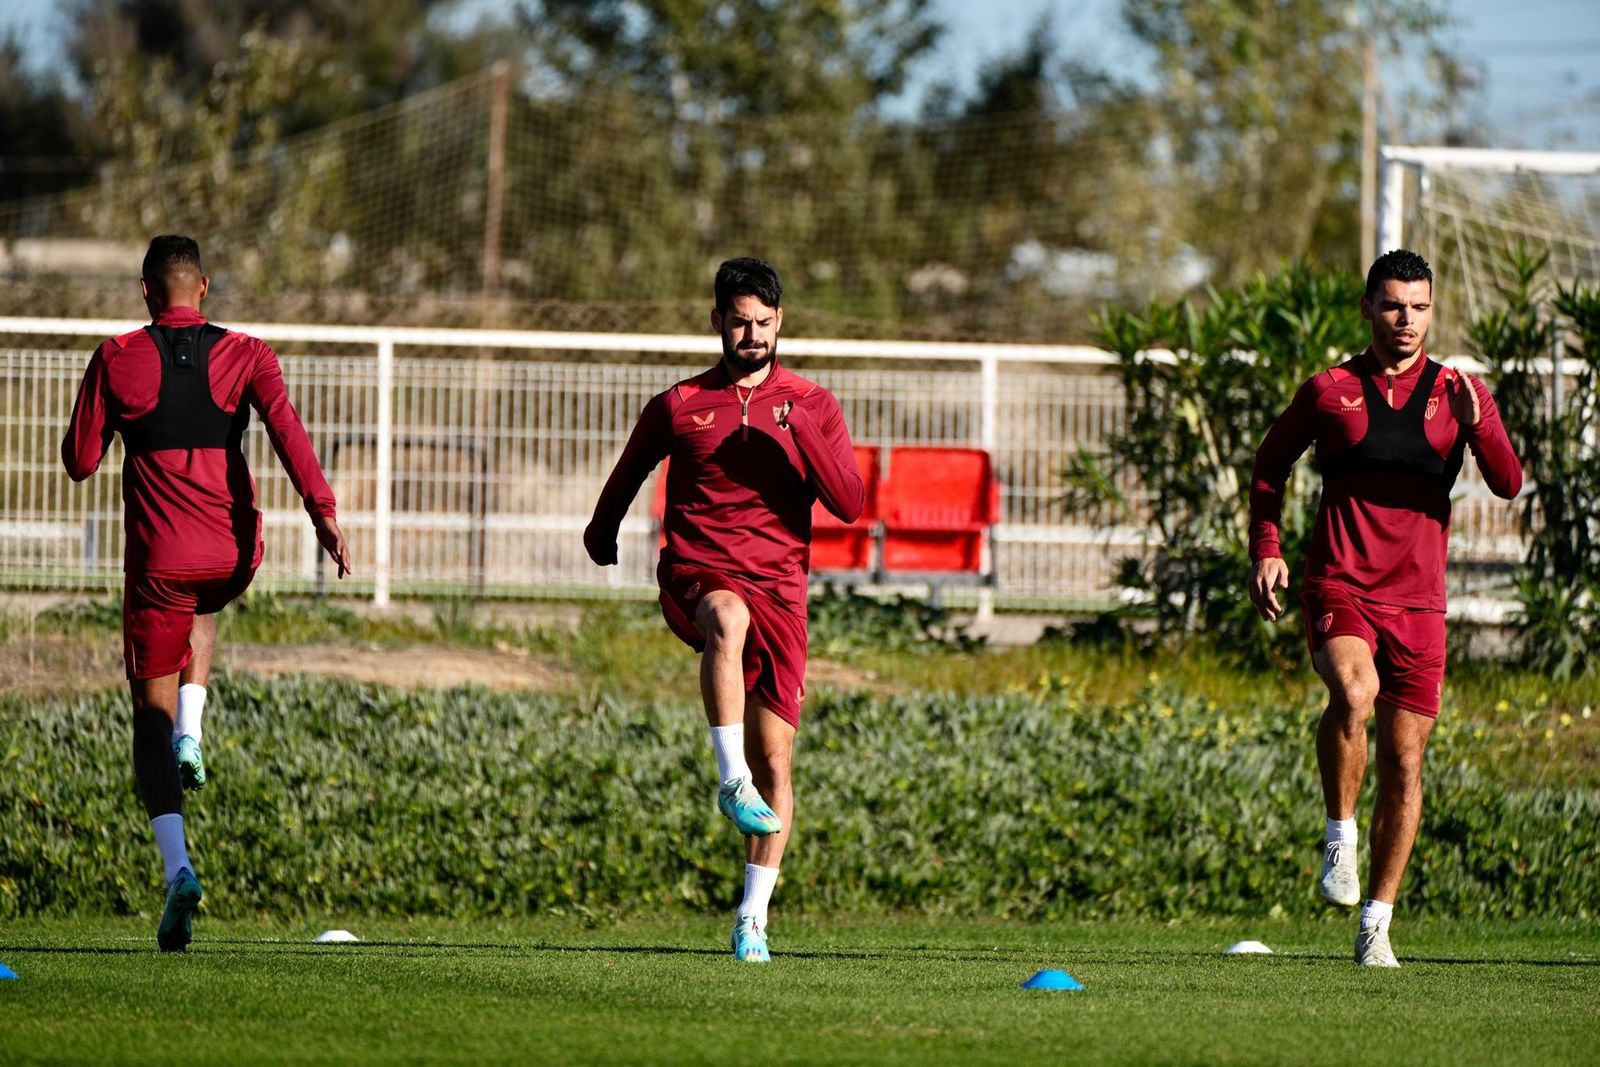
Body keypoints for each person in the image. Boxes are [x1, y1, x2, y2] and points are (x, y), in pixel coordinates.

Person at [62, 234, 351, 952]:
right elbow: (288, 432)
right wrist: (323, 513)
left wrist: (116, 413)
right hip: (230, 553)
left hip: (158, 562)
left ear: (145, 292)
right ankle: (196, 726)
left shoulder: (117, 356)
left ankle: (178, 867)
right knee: (207, 595)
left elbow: (78, 461)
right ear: (206, 287)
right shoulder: (249, 353)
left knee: (144, 724)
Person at [1247, 249, 1522, 967]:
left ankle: (1377, 920)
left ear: (1433, 311)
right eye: (1394, 305)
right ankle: (1339, 839)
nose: (1407, 319)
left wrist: (1480, 424)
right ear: (1368, 307)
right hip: (1341, 583)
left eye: (1420, 307)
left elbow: (1509, 482)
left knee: (1405, 761)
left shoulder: (1459, 392)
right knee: (1354, 689)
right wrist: (1266, 547)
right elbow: (1269, 466)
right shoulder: (1329, 389)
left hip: (1421, 604)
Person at [585, 257, 864, 963]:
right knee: (727, 619)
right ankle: (726, 776)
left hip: (783, 591)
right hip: (698, 575)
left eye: (764, 323)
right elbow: (624, 479)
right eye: (739, 321)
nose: (752, 335)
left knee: (779, 764)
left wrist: (800, 431)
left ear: (781, 322)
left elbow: (850, 504)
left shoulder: (813, 402)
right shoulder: (679, 403)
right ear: (716, 320)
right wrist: (602, 532)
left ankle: (752, 920)